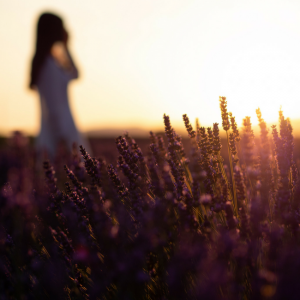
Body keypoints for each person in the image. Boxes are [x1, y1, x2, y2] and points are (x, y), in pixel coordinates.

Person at [29, 12, 90, 159]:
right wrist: (63, 140)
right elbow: (53, 107)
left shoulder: (51, 61)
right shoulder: (48, 66)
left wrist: (66, 47)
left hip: (61, 135)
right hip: (60, 137)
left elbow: (75, 74)